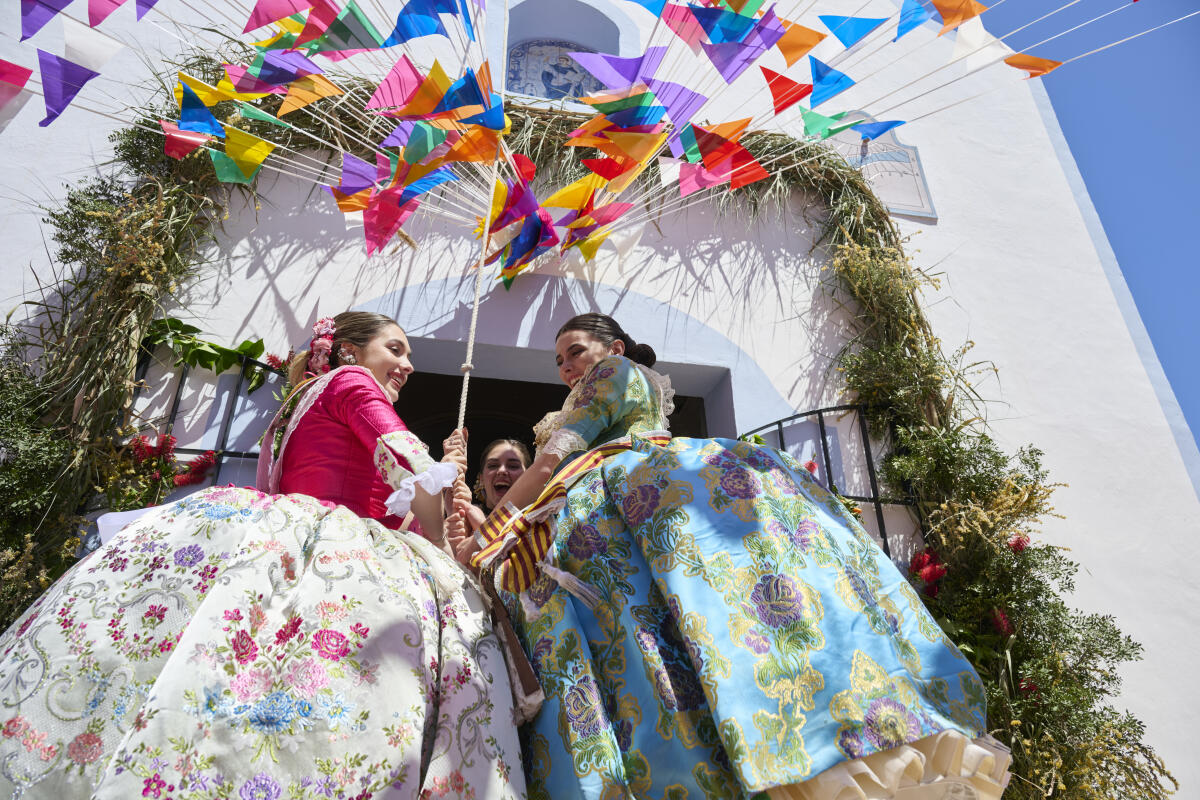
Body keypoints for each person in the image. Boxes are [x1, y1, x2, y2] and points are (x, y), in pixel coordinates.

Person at [466, 313, 1010, 800]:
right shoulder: (631, 390)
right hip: (641, 494)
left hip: (619, 503)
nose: (567, 366)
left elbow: (549, 465)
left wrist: (488, 534)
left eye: (576, 351)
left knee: (636, 628)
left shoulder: (607, 379)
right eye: (560, 359)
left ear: (614, 349)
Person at [0, 311, 526, 800]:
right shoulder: (353, 383)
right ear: (348, 352)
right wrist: (441, 494)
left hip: (298, 539)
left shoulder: (296, 404)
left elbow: (347, 494)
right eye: (396, 348)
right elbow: (402, 456)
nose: (409, 365)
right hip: (342, 554)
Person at [474, 438, 534, 513]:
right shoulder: (460, 518)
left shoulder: (544, 522)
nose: (502, 471)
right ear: (481, 479)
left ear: (528, 478)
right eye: (493, 465)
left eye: (513, 466)